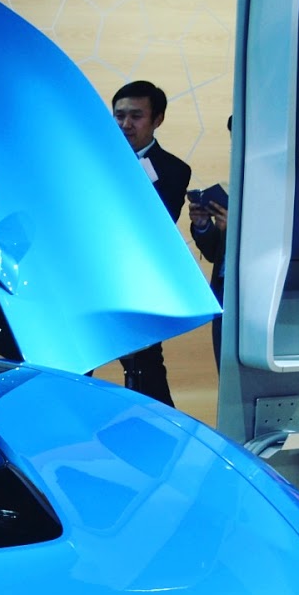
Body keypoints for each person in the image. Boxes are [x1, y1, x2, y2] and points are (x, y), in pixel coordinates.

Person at [111, 80, 191, 407]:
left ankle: (160, 429)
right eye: (119, 116)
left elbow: (158, 226)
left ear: (157, 119)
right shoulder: (91, 159)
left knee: (145, 368)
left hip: (138, 283)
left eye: (136, 116)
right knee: (73, 367)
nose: (125, 124)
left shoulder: (174, 170)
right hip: (89, 279)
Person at [189, 116, 232, 365]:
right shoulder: (233, 186)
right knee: (225, 368)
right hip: (223, 292)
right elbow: (216, 252)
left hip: (254, 295)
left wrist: (235, 230)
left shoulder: (279, 187)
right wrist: (203, 225)